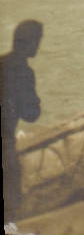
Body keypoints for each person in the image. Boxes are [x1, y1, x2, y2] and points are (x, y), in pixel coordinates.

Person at [3, 19, 43, 225]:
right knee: (11, 198)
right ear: (30, 44)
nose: (38, 46)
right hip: (5, 141)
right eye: (37, 41)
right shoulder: (25, 73)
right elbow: (31, 114)